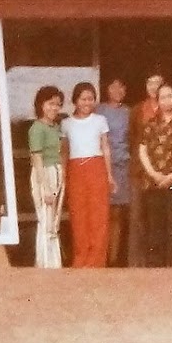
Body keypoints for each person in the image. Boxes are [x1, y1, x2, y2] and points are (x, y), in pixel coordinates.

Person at [59, 81, 114, 268]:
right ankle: (81, 258)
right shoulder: (66, 123)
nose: (87, 103)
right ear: (75, 100)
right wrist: (63, 175)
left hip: (96, 165)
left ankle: (97, 260)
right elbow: (64, 152)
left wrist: (109, 175)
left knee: (99, 215)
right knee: (78, 215)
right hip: (76, 169)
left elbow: (105, 147)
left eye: (91, 99)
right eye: (83, 99)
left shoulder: (100, 120)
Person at [137, 81, 172, 267]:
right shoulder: (150, 123)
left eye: (170, 96)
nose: (167, 100)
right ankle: (155, 262)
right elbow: (142, 150)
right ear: (157, 100)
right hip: (153, 181)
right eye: (162, 97)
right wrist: (153, 174)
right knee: (155, 221)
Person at [27, 85, 66, 269]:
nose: (54, 108)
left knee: (54, 221)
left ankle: (54, 262)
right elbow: (37, 158)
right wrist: (45, 188)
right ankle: (44, 263)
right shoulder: (37, 128)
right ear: (41, 105)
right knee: (45, 219)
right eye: (50, 104)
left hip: (57, 173)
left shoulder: (56, 127)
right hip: (44, 173)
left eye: (58, 104)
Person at [128, 72, 164, 266]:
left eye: (158, 83)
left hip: (163, 170)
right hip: (139, 169)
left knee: (159, 214)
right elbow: (132, 139)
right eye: (150, 82)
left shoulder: (170, 108)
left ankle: (160, 260)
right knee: (137, 215)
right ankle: (137, 263)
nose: (154, 87)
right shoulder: (137, 110)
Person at [99, 78, 132, 267]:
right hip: (101, 165)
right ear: (107, 88)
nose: (118, 89)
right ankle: (100, 255)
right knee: (103, 213)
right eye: (113, 85)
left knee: (118, 213)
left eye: (122, 86)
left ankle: (114, 258)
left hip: (122, 166)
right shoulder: (99, 110)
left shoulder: (129, 112)